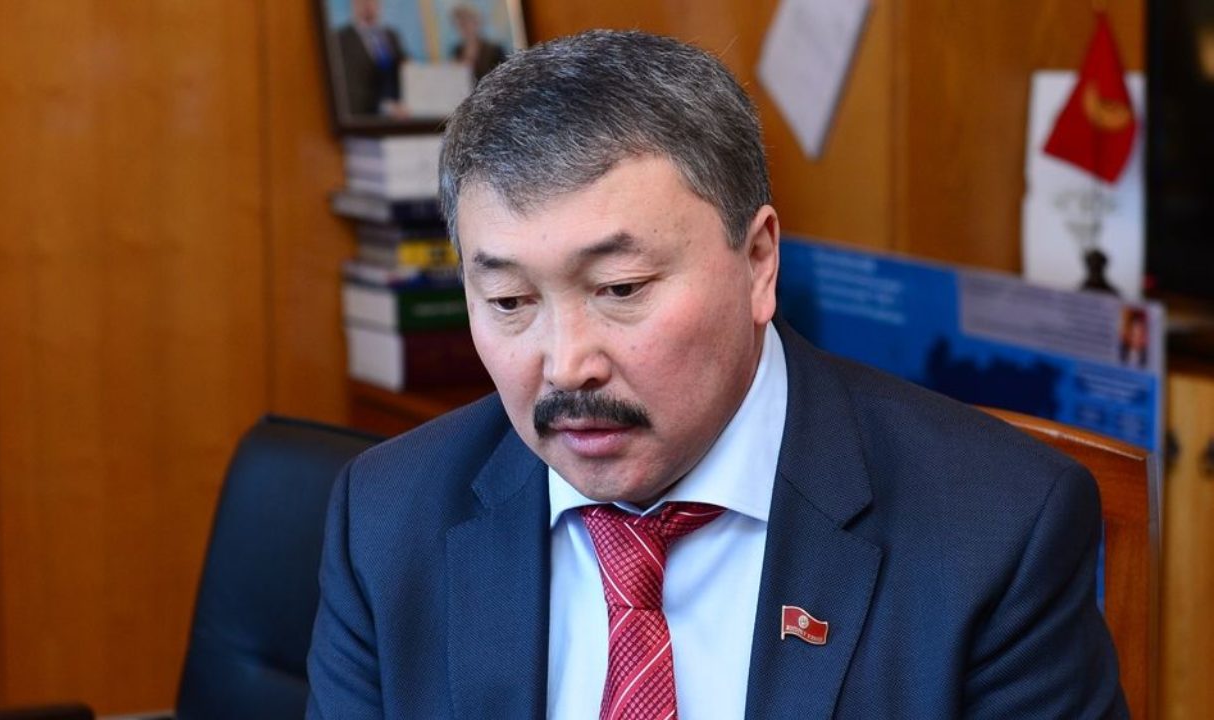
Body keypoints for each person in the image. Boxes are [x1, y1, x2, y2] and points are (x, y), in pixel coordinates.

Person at [307, 30, 1125, 718]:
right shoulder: (387, 519)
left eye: (621, 289)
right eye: (510, 301)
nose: (567, 365)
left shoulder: (995, 530)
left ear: (758, 261)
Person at [335, 0, 405, 117]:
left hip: (397, 117)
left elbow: (402, 70)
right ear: (353, 4)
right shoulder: (340, 39)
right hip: (363, 117)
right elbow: (348, 86)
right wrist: (383, 107)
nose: (368, 5)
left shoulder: (391, 36)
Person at [450, 3, 507, 83]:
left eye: (467, 22)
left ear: (476, 22)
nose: (464, 28)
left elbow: (505, 77)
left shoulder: (495, 50)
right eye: (460, 24)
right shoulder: (457, 51)